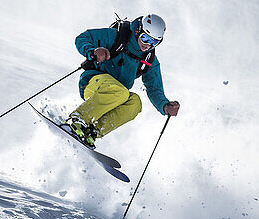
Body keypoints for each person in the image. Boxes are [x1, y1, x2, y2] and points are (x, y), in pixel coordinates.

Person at [64, 13, 180, 147]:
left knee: (135, 103)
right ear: (138, 31)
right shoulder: (116, 37)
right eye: (145, 38)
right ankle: (78, 119)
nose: (148, 45)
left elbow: (154, 88)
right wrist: (93, 51)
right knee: (121, 92)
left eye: (154, 42)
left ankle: (92, 131)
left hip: (115, 96)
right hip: (92, 83)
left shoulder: (149, 60)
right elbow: (83, 38)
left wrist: (164, 106)